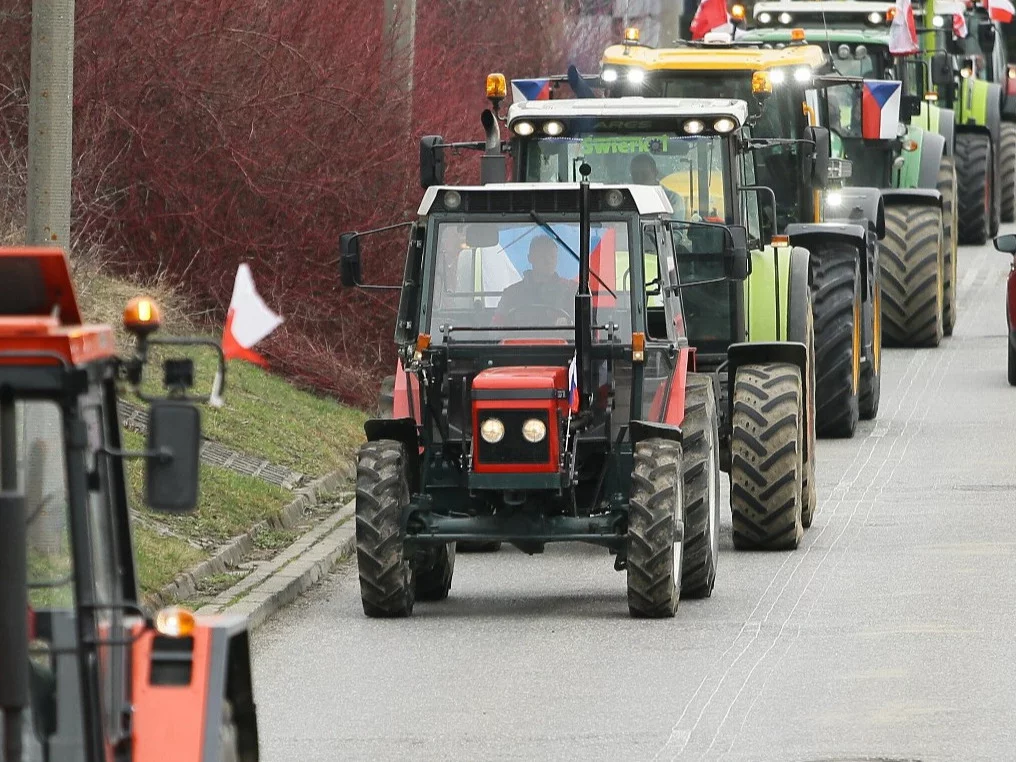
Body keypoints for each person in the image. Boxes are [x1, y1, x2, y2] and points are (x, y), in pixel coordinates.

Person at [494, 235, 576, 324]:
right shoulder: (511, 294)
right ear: (530, 258)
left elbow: (583, 325)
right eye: (542, 256)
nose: (548, 261)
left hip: (560, 337)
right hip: (519, 337)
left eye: (552, 257)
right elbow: (496, 328)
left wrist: (568, 323)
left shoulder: (571, 291)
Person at [629, 153, 687, 219]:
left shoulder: (672, 199)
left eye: (644, 175)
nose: (639, 179)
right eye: (635, 175)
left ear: (655, 173)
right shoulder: (627, 199)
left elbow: (677, 228)